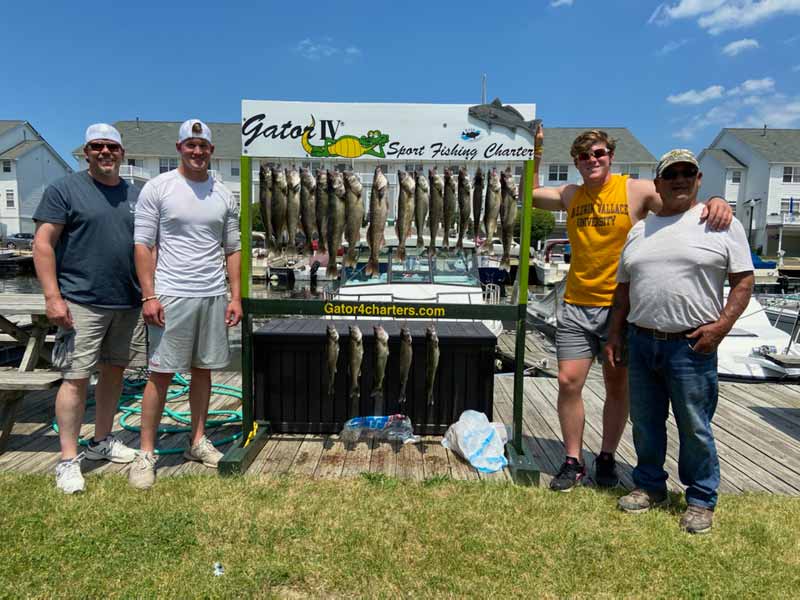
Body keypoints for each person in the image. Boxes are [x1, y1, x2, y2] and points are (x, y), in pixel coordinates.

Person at [532, 127, 733, 492]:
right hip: (576, 303)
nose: (592, 160)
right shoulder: (570, 194)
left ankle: (606, 456)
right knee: (567, 382)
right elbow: (527, 195)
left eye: (599, 153)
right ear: (576, 163)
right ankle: (573, 460)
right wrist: (536, 152)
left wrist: (716, 200)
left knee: (616, 386)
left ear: (610, 155)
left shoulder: (634, 188)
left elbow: (680, 200)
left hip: (621, 308)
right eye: (584, 156)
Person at [606, 149, 754, 534]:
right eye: (671, 174)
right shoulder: (640, 230)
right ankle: (650, 486)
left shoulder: (719, 223)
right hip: (641, 342)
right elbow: (623, 290)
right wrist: (615, 333)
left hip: (691, 345)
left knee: (695, 425)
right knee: (645, 422)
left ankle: (701, 498)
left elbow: (743, 281)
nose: (679, 179)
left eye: (688, 172)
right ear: (658, 184)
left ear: (699, 180)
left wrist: (721, 327)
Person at [129, 119, 242, 490]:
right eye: (190, 145)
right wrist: (149, 294)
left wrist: (235, 295)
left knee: (203, 371)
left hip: (212, 293)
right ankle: (147, 452)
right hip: (171, 293)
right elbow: (143, 245)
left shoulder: (223, 193)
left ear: (212, 151)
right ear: (179, 148)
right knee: (160, 375)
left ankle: (197, 441)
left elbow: (233, 248)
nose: (197, 152)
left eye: (203, 146)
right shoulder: (158, 188)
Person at [33, 123, 146, 494]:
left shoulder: (136, 193)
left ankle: (101, 440)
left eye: (111, 147)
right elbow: (44, 243)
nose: (105, 153)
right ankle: (67, 459)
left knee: (115, 373)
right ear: (86, 151)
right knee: (76, 377)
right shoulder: (64, 189)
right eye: (97, 146)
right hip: (81, 301)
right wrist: (53, 296)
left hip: (127, 301)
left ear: (122, 153)